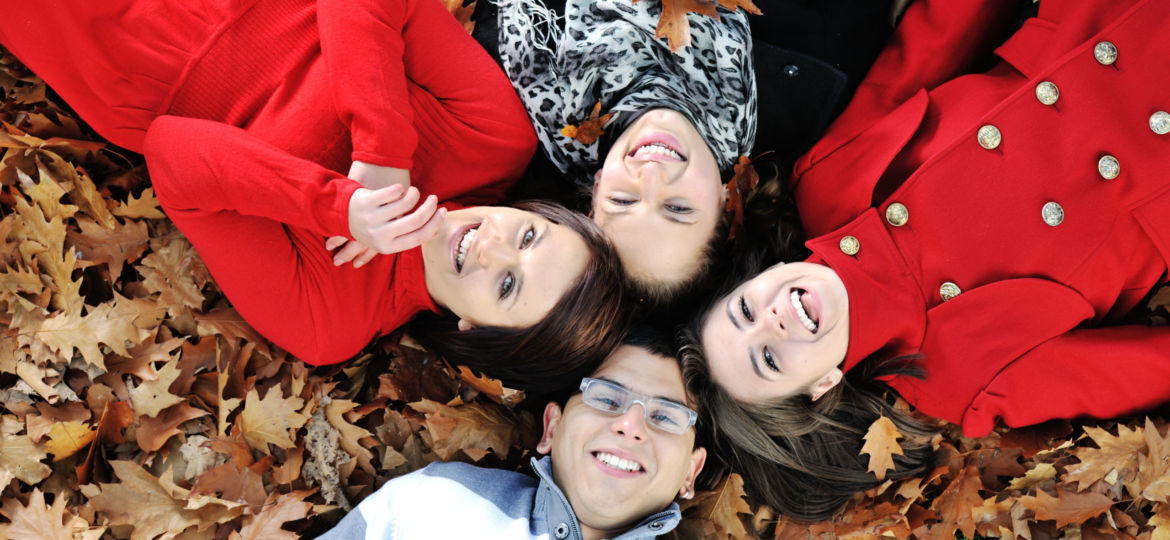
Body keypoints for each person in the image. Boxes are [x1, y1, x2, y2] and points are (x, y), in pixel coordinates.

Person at [687, 0, 1170, 519]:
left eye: (744, 311)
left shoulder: (829, 183)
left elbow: (936, 38)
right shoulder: (967, 380)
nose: (771, 321)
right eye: (768, 359)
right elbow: (1154, 365)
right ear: (819, 388)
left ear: (763, 276)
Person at [0, 0, 628, 391]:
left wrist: (336, 207)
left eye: (508, 286)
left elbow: (171, 152)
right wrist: (382, 154)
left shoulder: (330, 323)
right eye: (528, 236)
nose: (492, 248)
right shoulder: (493, 142)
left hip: (128, 53)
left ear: (475, 331)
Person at [472, 0, 896, 317]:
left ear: (597, 185)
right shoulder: (811, 87)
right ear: (726, 203)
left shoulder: (525, 87)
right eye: (677, 208)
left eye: (622, 202)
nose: (651, 178)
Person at [317, 327, 708, 539]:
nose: (630, 425)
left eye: (666, 416)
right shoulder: (437, 500)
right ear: (552, 428)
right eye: (606, 398)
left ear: (690, 473)